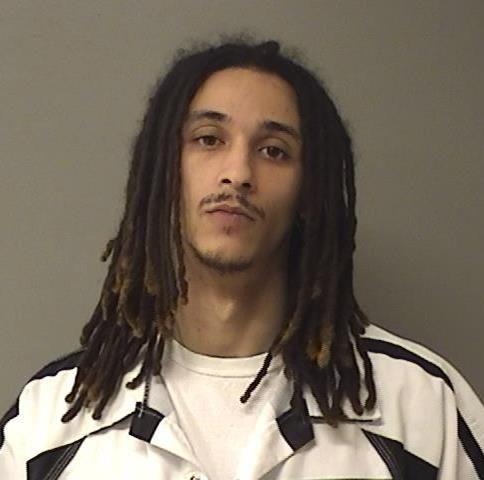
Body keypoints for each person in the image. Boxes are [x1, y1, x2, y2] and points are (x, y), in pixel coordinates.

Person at [1, 37, 483, 480]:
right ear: (163, 170)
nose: (238, 173)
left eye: (274, 151)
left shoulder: (420, 408)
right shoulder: (47, 423)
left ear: (308, 191)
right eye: (209, 139)